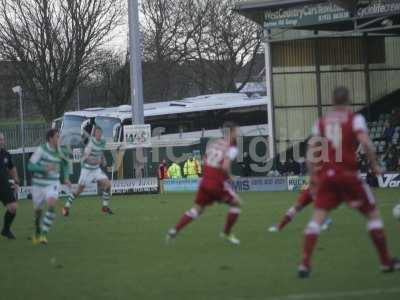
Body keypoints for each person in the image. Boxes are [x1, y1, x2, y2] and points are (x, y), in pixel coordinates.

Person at [298, 87, 399, 278]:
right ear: (349, 101)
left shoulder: (321, 122)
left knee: (316, 219)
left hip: (327, 177)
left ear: (333, 101)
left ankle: (304, 264)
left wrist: (313, 175)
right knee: (373, 215)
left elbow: (311, 148)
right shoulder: (355, 119)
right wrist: (375, 165)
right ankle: (385, 262)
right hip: (349, 176)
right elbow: (366, 142)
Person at [167, 122, 242, 245]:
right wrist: (230, 177)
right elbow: (225, 166)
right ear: (231, 132)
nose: (238, 134)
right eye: (236, 131)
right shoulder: (232, 148)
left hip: (204, 182)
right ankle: (226, 233)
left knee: (197, 210)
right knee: (237, 204)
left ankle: (174, 230)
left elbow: (205, 161)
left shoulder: (214, 144)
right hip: (216, 184)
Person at [28, 129, 71, 244]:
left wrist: (66, 178)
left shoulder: (61, 151)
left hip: (53, 183)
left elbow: (65, 164)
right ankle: (37, 228)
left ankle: (43, 235)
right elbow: (30, 166)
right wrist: (43, 169)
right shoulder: (41, 150)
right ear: (51, 138)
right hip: (38, 185)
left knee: (52, 204)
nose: (59, 139)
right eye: (57, 137)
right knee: (38, 213)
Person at [62, 127, 113, 216]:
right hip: (87, 170)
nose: (99, 134)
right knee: (79, 191)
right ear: (94, 134)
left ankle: (105, 207)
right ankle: (66, 207)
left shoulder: (102, 142)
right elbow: (86, 158)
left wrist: (103, 159)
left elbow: (101, 152)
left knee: (108, 185)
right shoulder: (90, 144)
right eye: (97, 133)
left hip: (96, 169)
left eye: (100, 133)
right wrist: (96, 161)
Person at [268, 180, 332, 233]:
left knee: (319, 207)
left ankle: (325, 222)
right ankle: (279, 227)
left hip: (318, 189)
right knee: (296, 207)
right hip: (309, 189)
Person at [0, 132, 19, 239]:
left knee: (13, 208)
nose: (1, 141)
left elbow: (11, 167)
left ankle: (6, 230)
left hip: (3, 185)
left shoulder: (6, 154)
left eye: (2, 139)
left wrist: (16, 179)